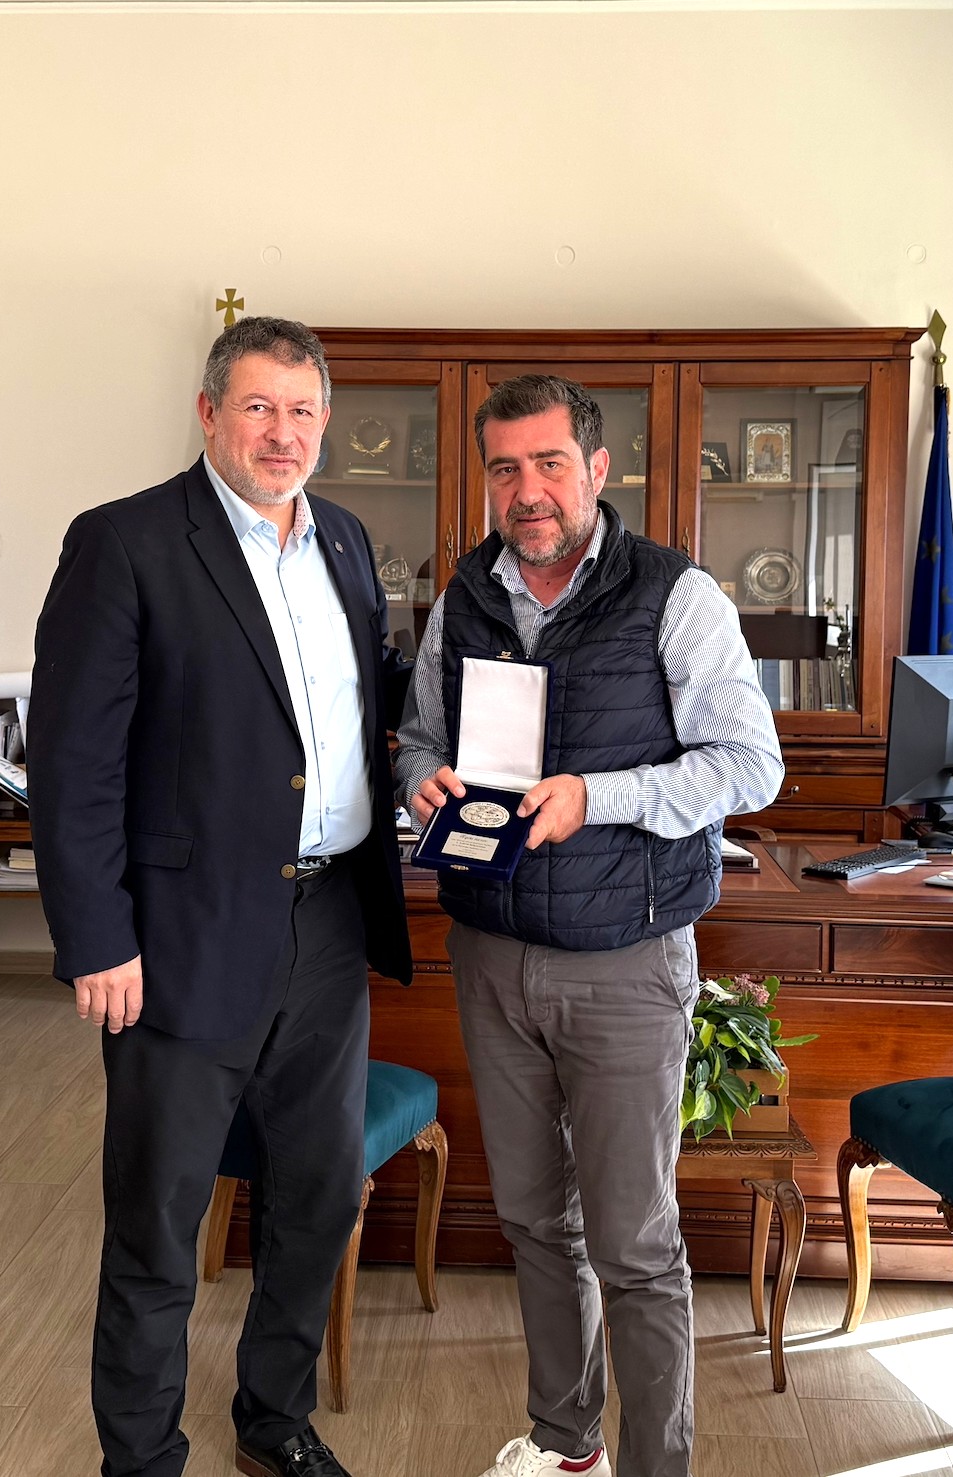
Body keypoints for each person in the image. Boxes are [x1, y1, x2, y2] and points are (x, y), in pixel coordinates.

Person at [27, 317, 412, 1477]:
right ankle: (142, 1457)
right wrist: (98, 936)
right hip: (181, 936)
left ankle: (273, 1419)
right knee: (159, 1217)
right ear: (209, 415)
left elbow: (364, 714)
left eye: (301, 411)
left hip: (329, 922)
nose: (281, 433)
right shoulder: (125, 543)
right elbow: (74, 765)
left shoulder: (348, 541)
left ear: (325, 422)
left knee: (319, 1194)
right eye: (257, 408)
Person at [395, 375, 783, 1477]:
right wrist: (421, 778)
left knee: (634, 1244)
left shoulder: (676, 594)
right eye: (505, 468)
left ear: (598, 469)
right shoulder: (463, 596)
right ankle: (569, 1447)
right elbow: (418, 735)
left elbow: (749, 765)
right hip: (491, 950)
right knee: (532, 1220)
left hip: (626, 961)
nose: (528, 490)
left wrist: (595, 795)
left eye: (550, 463)